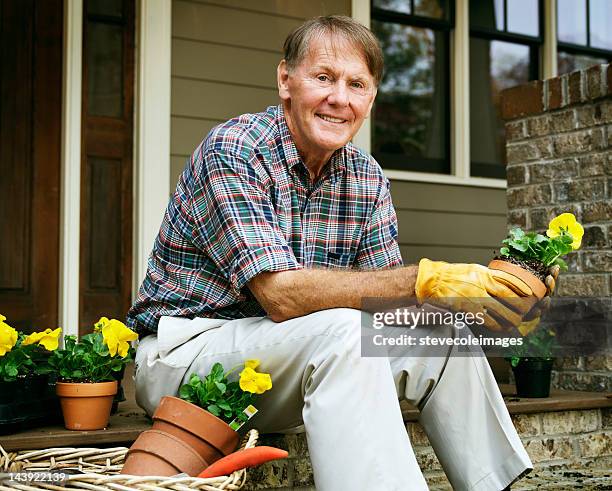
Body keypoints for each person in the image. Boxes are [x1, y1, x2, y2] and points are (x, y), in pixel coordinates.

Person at [127, 15, 556, 491]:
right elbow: (279, 296)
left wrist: (487, 296)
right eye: (324, 78)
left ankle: (495, 485)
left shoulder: (366, 177)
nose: (339, 99)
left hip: (287, 367)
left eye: (357, 84)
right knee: (349, 331)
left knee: (439, 333)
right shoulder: (234, 150)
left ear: (371, 98)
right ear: (285, 80)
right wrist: (427, 278)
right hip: (186, 360)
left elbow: (388, 310)